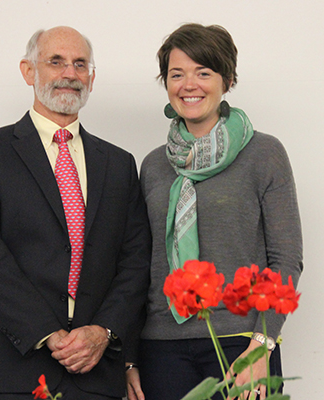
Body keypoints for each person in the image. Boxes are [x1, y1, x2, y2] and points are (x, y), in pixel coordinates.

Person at [0, 26, 151, 400]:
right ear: (29, 71)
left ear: (91, 78)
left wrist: (103, 332)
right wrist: (49, 334)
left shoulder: (119, 163)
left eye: (80, 64)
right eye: (56, 61)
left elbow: (136, 260)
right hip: (7, 368)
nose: (69, 73)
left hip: (96, 372)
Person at [125, 23, 303, 400]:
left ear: (227, 79)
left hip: (241, 343)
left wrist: (262, 344)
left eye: (203, 72)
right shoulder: (154, 165)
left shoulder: (264, 154)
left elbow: (286, 258)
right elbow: (139, 264)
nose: (190, 84)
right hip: (160, 347)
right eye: (177, 74)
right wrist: (128, 358)